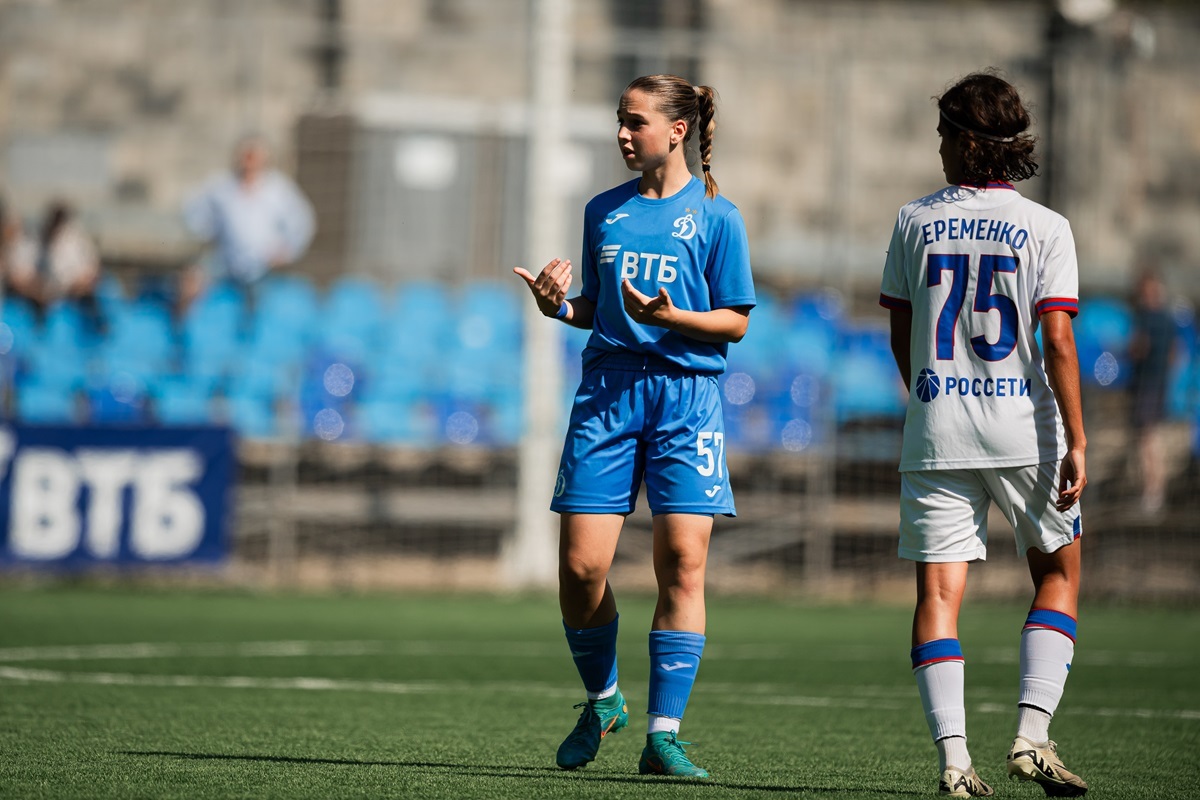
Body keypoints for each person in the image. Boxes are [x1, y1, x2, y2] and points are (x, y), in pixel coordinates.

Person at [513, 74, 755, 779]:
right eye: (620, 121)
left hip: (687, 397)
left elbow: (735, 320)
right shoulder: (604, 211)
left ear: (678, 131)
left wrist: (672, 318)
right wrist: (559, 306)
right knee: (582, 569)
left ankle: (665, 735)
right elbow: (599, 308)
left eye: (635, 122)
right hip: (609, 395)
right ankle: (604, 700)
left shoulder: (718, 217)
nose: (622, 133)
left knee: (681, 563)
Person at [879, 71, 1089, 798]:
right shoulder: (1049, 227)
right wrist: (1080, 440)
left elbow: (902, 332)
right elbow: (1057, 341)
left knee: (939, 595)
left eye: (942, 132)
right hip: (1027, 431)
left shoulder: (913, 220)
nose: (937, 146)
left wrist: (934, 401)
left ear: (964, 141)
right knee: (1059, 575)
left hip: (937, 428)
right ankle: (1031, 738)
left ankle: (955, 762)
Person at [181, 134, 315, 309]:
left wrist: (287, 251)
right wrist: (209, 232)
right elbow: (194, 212)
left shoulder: (277, 189)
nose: (249, 162)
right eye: (246, 156)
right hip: (227, 266)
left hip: (264, 270)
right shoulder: (221, 187)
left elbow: (302, 222)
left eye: (254, 156)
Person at [1127, 266, 1175, 515]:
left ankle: (1153, 493)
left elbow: (1140, 348)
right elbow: (1174, 354)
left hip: (1148, 385)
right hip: (1158, 384)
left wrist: (1125, 351)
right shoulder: (1168, 317)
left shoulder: (1148, 317)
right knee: (1152, 438)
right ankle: (1154, 492)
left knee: (1148, 440)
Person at [5, 199, 100, 312]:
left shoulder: (78, 242)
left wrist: (69, 289)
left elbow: (91, 274)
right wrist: (37, 290)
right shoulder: (30, 240)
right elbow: (17, 275)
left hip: (70, 303)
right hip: (28, 303)